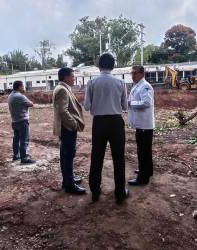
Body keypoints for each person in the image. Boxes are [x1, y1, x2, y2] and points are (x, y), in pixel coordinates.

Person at [84, 53, 129, 205]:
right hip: (116, 123)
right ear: (113, 66)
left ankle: (95, 192)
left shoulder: (91, 83)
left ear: (99, 65)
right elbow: (124, 106)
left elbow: (87, 106)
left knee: (96, 157)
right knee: (119, 159)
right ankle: (120, 194)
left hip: (99, 123)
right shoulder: (120, 82)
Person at [53, 67, 86, 195]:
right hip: (67, 128)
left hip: (64, 128)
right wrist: (73, 124)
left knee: (65, 155)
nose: (74, 78)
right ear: (66, 77)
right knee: (68, 156)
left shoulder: (62, 88)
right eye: (72, 76)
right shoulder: (62, 89)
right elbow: (63, 111)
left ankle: (67, 180)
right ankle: (70, 185)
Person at [127, 66, 155, 185]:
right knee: (145, 150)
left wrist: (130, 103)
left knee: (143, 151)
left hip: (144, 125)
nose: (132, 75)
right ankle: (147, 171)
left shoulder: (145, 86)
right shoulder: (138, 85)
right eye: (131, 73)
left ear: (141, 73)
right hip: (141, 124)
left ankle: (142, 179)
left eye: (134, 73)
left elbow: (146, 102)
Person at [8, 80, 36, 165]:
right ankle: (24, 157)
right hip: (22, 120)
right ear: (19, 87)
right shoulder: (20, 96)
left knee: (16, 139)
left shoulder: (10, 95)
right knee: (24, 139)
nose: (24, 87)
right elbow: (31, 104)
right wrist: (23, 94)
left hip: (14, 121)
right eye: (23, 86)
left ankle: (16, 155)